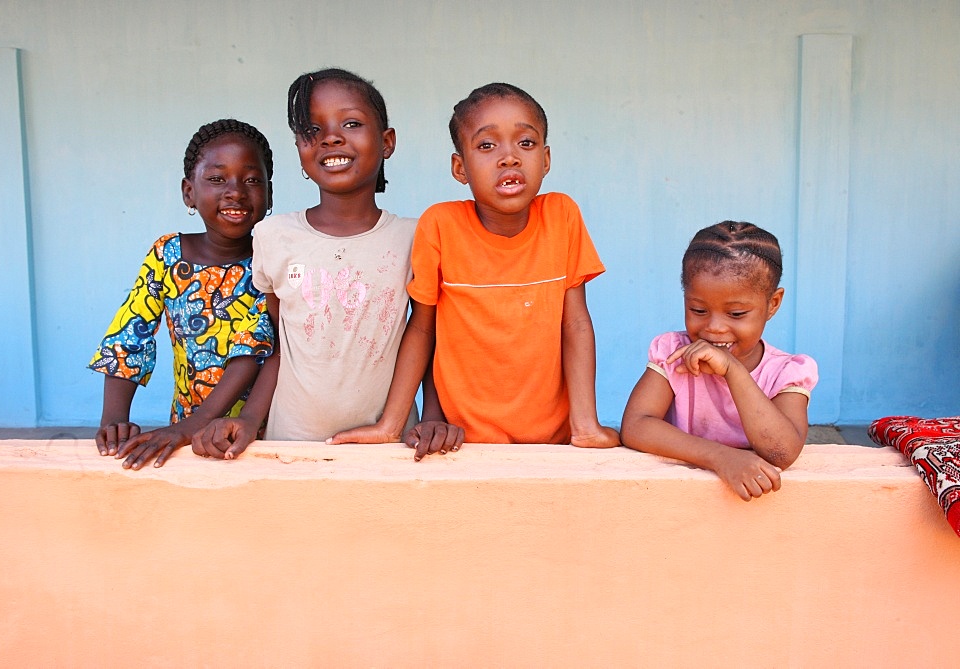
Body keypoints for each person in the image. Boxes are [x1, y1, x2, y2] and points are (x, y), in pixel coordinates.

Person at [330, 82, 621, 459]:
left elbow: (576, 324)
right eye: (487, 145)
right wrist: (391, 424)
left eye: (526, 143)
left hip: (554, 441)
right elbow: (422, 328)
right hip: (462, 442)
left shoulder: (562, 216)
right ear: (459, 167)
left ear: (546, 159)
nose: (509, 158)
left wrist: (586, 426)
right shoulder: (442, 225)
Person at [191, 68, 427, 459]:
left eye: (351, 123)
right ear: (300, 151)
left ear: (387, 142)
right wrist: (250, 419)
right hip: (291, 445)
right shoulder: (274, 235)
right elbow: (282, 347)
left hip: (390, 445)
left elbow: (428, 336)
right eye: (312, 130)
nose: (331, 137)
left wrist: (431, 415)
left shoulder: (415, 237)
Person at [89, 119, 275, 469]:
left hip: (258, 432)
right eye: (217, 179)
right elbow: (130, 335)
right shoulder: (167, 255)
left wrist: (193, 426)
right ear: (189, 192)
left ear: (269, 193)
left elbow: (252, 350)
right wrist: (113, 419)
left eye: (251, 180)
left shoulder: (271, 259)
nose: (235, 191)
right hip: (184, 433)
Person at [619, 222, 819, 500]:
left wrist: (732, 370)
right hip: (675, 499)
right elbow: (635, 426)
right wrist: (721, 458)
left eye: (736, 314)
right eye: (698, 309)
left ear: (772, 304)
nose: (714, 327)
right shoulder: (673, 353)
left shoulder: (786, 372)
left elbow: (782, 452)